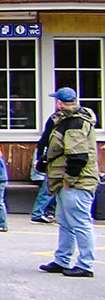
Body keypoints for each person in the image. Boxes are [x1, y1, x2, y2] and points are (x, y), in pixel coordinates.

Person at [39, 87, 97, 278]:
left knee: (80, 223)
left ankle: (85, 264)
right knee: (65, 222)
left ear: (60, 102)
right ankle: (62, 260)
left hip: (76, 181)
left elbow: (78, 156)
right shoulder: (70, 120)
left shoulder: (74, 123)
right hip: (70, 179)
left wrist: (69, 180)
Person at [30, 102, 62, 224]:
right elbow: (43, 141)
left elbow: (43, 140)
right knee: (49, 186)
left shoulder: (54, 119)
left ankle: (49, 211)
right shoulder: (56, 120)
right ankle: (38, 213)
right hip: (52, 159)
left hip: (51, 157)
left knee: (53, 186)